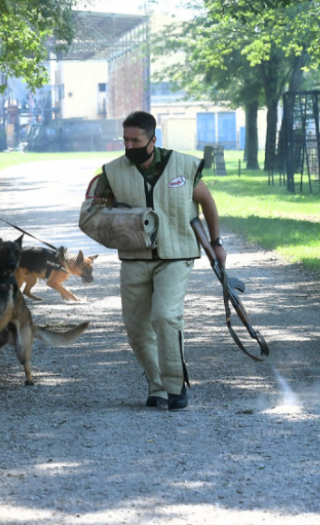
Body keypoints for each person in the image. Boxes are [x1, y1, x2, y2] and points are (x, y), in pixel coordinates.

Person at [88, 111, 226, 410]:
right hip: (134, 257)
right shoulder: (112, 172)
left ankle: (176, 387)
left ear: (152, 140)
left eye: (135, 140)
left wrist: (216, 243)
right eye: (125, 140)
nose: (129, 146)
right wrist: (114, 228)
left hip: (176, 255)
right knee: (137, 329)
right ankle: (157, 386)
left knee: (165, 316)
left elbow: (207, 202)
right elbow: (92, 215)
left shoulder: (183, 166)